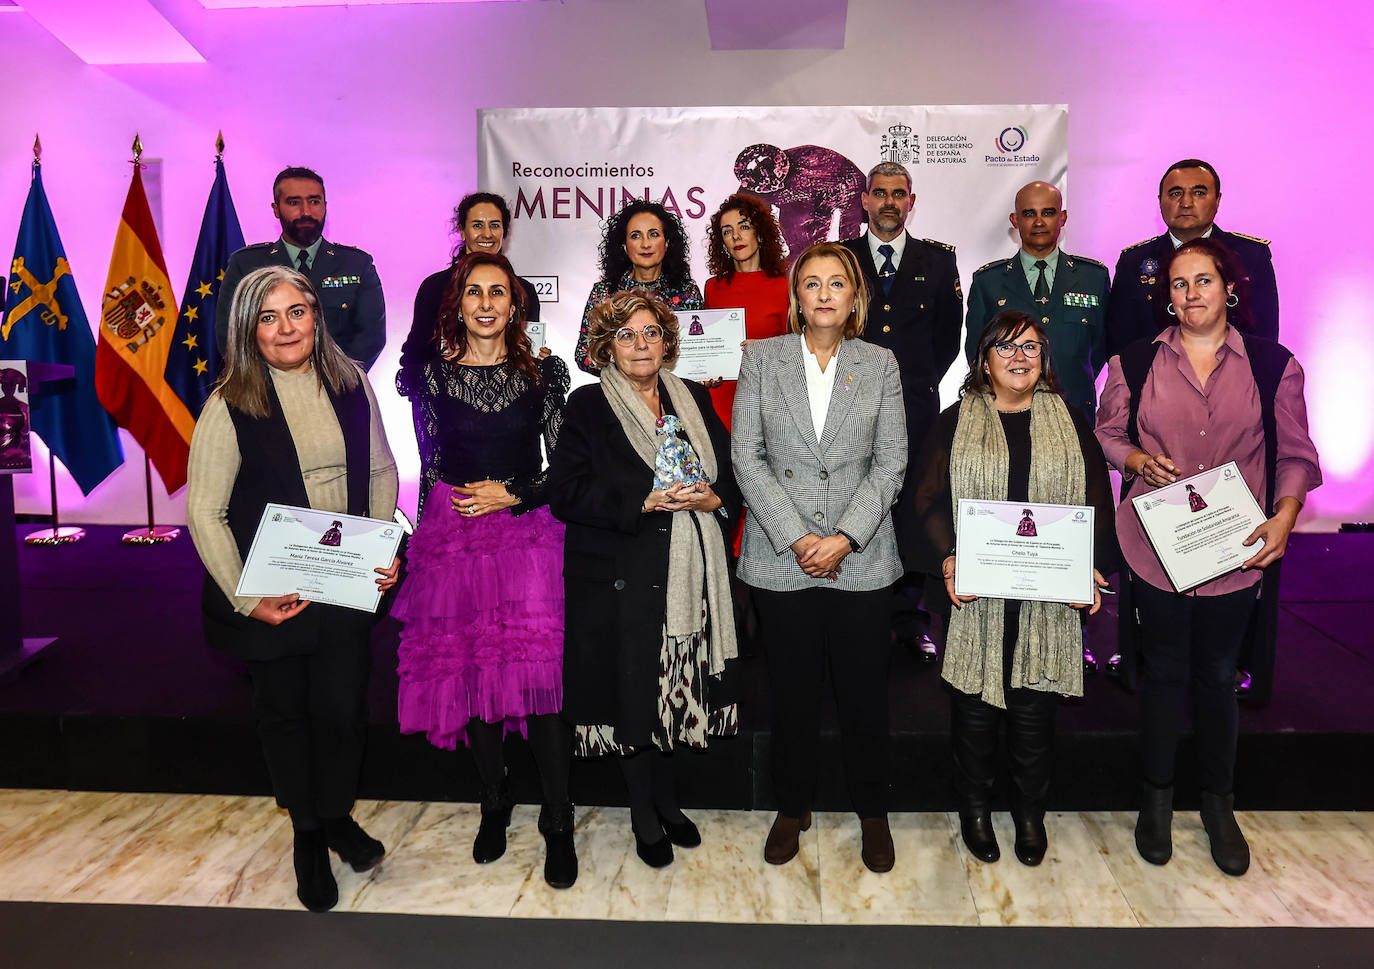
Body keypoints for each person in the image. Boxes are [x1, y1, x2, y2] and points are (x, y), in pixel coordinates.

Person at [1096, 237, 1321, 876]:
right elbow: (1109, 434)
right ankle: (1157, 801)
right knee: (1163, 674)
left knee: (1219, 677)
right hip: (1156, 548)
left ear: (1230, 288)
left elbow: (1297, 455)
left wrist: (1285, 515)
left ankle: (1219, 806)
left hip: (1234, 550)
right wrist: (1138, 461)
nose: (1191, 294)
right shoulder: (1133, 361)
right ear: (1165, 294)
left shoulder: (1274, 366)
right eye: (1178, 283)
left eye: (1203, 281)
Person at [187, 266, 399, 913]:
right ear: (248, 329)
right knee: (286, 718)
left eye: (297, 312)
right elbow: (204, 511)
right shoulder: (229, 402)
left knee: (341, 715)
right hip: (273, 598)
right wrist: (249, 599)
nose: (286, 327)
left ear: (317, 315)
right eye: (268, 317)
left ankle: (336, 815)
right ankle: (308, 834)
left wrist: (383, 545)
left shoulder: (351, 381)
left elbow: (383, 469)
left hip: (342, 587)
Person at [391, 252, 575, 888]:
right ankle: (495, 801)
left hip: (527, 533)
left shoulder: (547, 375)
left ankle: (558, 818)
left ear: (516, 305)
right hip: (456, 534)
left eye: (500, 292)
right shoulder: (433, 379)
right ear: (457, 303)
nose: (488, 303)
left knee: (540, 677)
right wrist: (416, 551)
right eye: (475, 292)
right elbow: (431, 467)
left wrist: (515, 493)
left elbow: (563, 471)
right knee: (471, 675)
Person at [911, 310, 1113, 867]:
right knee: (974, 712)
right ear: (983, 361)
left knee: (1033, 711)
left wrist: (1089, 567)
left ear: (1044, 358)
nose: (1019, 357)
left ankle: (1029, 814)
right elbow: (926, 499)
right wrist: (949, 560)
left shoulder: (1070, 423)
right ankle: (974, 810)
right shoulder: (956, 422)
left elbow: (1095, 501)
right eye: (1006, 347)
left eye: (1030, 346)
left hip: (1045, 597)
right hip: (976, 595)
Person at [548, 291, 741, 869]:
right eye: (626, 335)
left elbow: (727, 469)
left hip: (689, 575)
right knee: (636, 694)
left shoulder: (693, 399)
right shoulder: (587, 406)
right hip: (621, 577)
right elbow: (565, 492)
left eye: (650, 333)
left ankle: (667, 797)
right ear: (606, 345)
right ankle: (642, 810)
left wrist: (715, 496)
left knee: (671, 692)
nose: (640, 344)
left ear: (667, 341)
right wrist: (642, 500)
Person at [733, 242, 907, 873]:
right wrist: (797, 536)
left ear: (855, 296)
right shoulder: (761, 358)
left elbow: (891, 463)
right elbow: (746, 456)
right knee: (792, 694)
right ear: (796, 296)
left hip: (860, 559)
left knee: (864, 696)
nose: (825, 293)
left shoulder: (881, 364)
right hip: (784, 559)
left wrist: (845, 538)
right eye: (812, 283)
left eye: (838, 283)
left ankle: (872, 810)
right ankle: (792, 804)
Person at [842, 161, 962, 664]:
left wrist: (911, 384)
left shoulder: (937, 261)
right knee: (857, 507)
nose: (889, 202)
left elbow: (946, 341)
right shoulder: (839, 258)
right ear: (865, 201)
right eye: (879, 193)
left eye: (899, 193)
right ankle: (860, 614)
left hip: (915, 409)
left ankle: (910, 621)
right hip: (847, 409)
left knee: (911, 511)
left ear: (911, 201)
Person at [964, 181, 1110, 424]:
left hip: (1073, 410)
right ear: (1014, 220)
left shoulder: (1093, 277)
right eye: (1029, 213)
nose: (1039, 222)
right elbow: (976, 353)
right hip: (1007, 414)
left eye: (1048, 212)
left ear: (1062, 217)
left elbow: (1100, 349)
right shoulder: (988, 282)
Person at [1106, 158, 1278, 359]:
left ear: (1217, 200)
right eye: (1175, 193)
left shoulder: (1250, 256)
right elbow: (1120, 346)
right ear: (1160, 200)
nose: (1186, 203)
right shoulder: (1134, 262)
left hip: (1234, 384)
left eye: (1198, 193)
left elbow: (1265, 341)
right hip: (1153, 384)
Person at [217, 167, 387, 370]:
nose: (306, 212)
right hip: (266, 392)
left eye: (314, 201)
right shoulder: (246, 265)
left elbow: (371, 337)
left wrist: (332, 382)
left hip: (340, 389)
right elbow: (229, 334)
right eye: (294, 202)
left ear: (325, 206)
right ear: (276, 209)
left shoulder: (357, 265)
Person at [399, 192, 541, 376]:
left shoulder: (523, 291)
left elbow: (528, 349)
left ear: (504, 232)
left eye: (495, 225)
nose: (487, 234)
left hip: (510, 397)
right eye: (477, 225)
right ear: (462, 231)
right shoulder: (434, 288)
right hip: (446, 397)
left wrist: (538, 361)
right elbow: (415, 354)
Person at [573, 201, 702, 375]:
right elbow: (584, 355)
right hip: (620, 394)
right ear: (624, 246)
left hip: (675, 394)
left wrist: (703, 372)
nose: (645, 244)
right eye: (635, 236)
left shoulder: (687, 292)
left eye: (654, 234)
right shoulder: (604, 292)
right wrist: (631, 371)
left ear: (667, 243)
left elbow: (700, 352)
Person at [702, 193, 791, 430]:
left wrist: (763, 350)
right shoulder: (712, 287)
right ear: (722, 242)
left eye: (744, 227)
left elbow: (798, 349)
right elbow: (708, 347)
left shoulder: (785, 287)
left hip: (769, 401)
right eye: (727, 231)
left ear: (760, 233)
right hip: (720, 400)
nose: (736, 236)